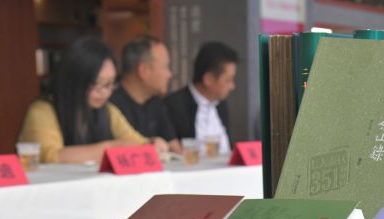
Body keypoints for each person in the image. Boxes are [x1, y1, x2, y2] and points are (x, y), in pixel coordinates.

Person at [18, 36, 161, 164]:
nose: (105, 92)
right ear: (74, 80)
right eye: (97, 84)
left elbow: (136, 142)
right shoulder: (42, 111)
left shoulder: (108, 111)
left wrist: (153, 143)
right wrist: (111, 148)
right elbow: (50, 156)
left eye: (110, 83)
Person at [165, 41, 238, 154]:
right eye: (228, 80)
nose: (232, 86)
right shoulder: (173, 106)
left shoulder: (221, 104)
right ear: (208, 79)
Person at [111, 36, 181, 154]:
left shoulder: (155, 102)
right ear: (144, 71)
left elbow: (174, 146)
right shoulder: (110, 105)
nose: (169, 75)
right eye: (165, 67)